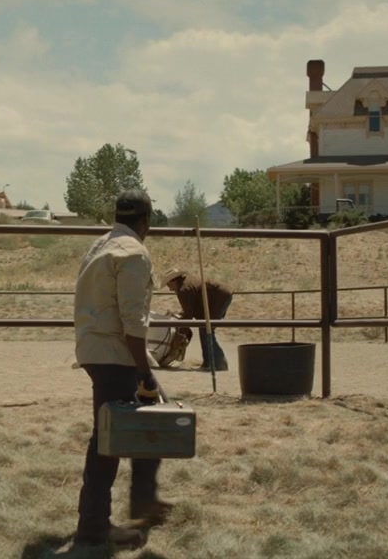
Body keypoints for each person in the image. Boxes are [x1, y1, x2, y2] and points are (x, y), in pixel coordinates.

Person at [71, 189, 173, 548]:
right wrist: (145, 371)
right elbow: (133, 320)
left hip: (94, 348)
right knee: (111, 438)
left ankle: (141, 500)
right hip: (116, 353)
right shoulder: (134, 253)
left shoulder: (101, 245)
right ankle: (94, 524)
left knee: (142, 423)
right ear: (147, 221)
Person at [159, 268, 234, 371]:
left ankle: (217, 363)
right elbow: (190, 309)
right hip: (221, 295)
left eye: (168, 285)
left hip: (219, 297)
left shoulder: (183, 290)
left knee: (206, 329)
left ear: (173, 281)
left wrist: (180, 335)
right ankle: (210, 362)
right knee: (205, 328)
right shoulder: (187, 284)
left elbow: (188, 316)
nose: (169, 289)